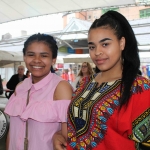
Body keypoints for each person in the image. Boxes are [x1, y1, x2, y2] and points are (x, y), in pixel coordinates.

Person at [53, 11, 150, 150]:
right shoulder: (84, 83)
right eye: (92, 47)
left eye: (105, 44)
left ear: (121, 43)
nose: (97, 52)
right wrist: (58, 135)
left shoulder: (140, 88)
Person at [4, 33, 72, 150]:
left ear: (53, 59)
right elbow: (12, 132)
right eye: (31, 55)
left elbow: (68, 139)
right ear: (24, 57)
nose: (36, 60)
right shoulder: (20, 87)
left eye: (44, 56)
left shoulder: (60, 88)